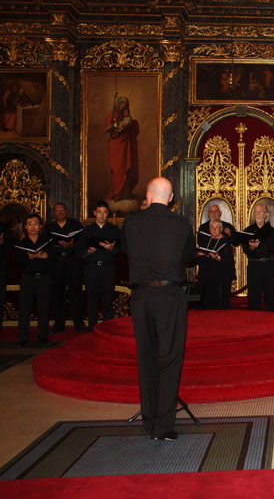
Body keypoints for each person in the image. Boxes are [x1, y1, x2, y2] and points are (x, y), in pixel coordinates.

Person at [122, 177, 195, 441]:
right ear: (171, 198)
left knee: (146, 358)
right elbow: (189, 257)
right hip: (169, 295)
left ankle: (150, 420)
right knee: (170, 358)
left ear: (148, 195)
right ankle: (162, 427)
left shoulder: (131, 222)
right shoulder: (181, 223)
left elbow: (125, 250)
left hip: (140, 295)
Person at [78, 201, 120, 332]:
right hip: (91, 268)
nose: (102, 215)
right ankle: (92, 328)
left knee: (108, 299)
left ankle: (108, 329)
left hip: (108, 268)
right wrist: (88, 251)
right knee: (92, 300)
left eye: (105, 212)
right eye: (99, 212)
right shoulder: (87, 230)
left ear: (108, 213)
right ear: (94, 213)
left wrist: (111, 249)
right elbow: (79, 252)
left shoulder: (114, 229)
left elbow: (120, 250)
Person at [14, 214, 55, 348]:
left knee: (43, 309)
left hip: (44, 279)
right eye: (30, 224)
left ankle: (43, 337)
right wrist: (29, 258)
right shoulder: (21, 244)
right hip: (28, 279)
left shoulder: (47, 242)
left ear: (40, 226)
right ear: (25, 227)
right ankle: (22, 338)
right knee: (24, 309)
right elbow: (18, 263)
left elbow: (55, 261)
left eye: (36, 224)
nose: (33, 227)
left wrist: (46, 256)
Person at [45, 203, 85, 333]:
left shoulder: (76, 225)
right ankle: (59, 324)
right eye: (57, 210)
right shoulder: (49, 227)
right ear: (53, 213)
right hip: (56, 263)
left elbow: (83, 243)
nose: (60, 212)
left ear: (66, 211)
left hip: (73, 262)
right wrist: (57, 246)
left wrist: (72, 245)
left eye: (62, 209)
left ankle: (79, 323)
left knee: (76, 293)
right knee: (57, 294)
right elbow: (45, 246)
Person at [242, 203, 274, 311]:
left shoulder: (272, 231)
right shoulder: (248, 231)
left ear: (265, 214)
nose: (258, 214)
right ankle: (254, 318)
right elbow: (245, 249)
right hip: (254, 264)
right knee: (253, 294)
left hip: (268, 264)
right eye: (256, 212)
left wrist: (260, 245)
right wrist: (252, 247)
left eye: (261, 212)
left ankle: (270, 317)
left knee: (269, 294)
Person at [105, 95, 139, 202]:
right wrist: (115, 128)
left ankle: (125, 194)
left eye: (125, 104)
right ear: (118, 103)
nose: (123, 105)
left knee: (127, 168)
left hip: (126, 146)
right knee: (116, 169)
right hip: (116, 147)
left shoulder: (127, 116)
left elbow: (133, 129)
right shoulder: (112, 114)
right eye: (122, 103)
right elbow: (109, 131)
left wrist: (130, 123)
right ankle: (117, 193)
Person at [196, 219, 235, 310]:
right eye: (212, 227)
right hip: (207, 274)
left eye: (217, 227)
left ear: (221, 229)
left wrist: (218, 258)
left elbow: (228, 261)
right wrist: (200, 255)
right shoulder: (206, 241)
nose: (214, 229)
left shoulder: (225, 242)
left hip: (220, 275)